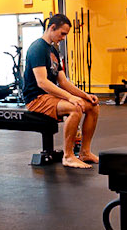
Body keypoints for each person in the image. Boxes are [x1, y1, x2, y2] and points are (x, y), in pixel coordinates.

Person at [22, 13, 100, 169]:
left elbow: (63, 81)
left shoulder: (54, 51)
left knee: (93, 107)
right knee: (75, 108)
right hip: (36, 99)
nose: (64, 37)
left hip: (49, 97)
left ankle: (84, 152)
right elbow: (42, 82)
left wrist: (85, 96)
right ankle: (68, 156)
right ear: (52, 28)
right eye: (62, 33)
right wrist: (71, 98)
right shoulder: (37, 48)